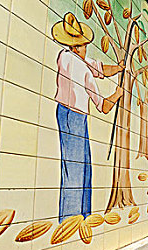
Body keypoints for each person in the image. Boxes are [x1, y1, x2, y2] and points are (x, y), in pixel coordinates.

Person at [52, 12, 123, 222]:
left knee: (81, 167)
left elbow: (99, 68)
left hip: (65, 112)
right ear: (77, 47)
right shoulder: (83, 70)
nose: (86, 49)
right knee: (76, 169)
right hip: (74, 116)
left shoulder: (64, 56)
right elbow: (103, 106)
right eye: (83, 46)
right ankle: (71, 218)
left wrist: (118, 68)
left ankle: (82, 216)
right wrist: (117, 94)